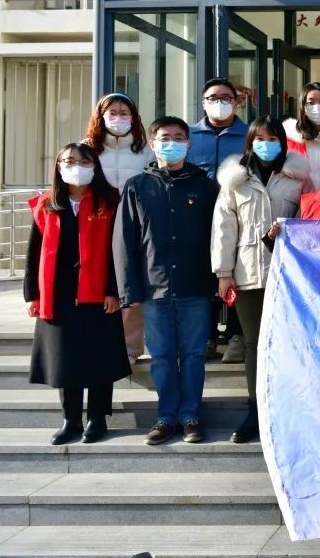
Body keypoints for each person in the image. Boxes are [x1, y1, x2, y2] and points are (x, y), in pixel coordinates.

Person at [113, 116, 219, 446]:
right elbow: (124, 242)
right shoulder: (137, 186)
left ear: (188, 143)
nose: (171, 142)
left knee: (193, 354)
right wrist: (127, 289)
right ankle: (166, 416)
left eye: (178, 137)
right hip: (153, 287)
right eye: (164, 137)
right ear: (153, 143)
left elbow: (218, 237)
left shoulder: (206, 187)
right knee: (161, 355)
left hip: (195, 285)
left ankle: (190, 415)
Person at [24, 144, 129, 445]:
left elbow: (118, 250)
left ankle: (97, 419)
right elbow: (34, 253)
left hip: (98, 292)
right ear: (58, 167)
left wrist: (114, 290)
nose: (76, 167)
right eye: (69, 161)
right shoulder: (46, 204)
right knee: (64, 359)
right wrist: (33, 295)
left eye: (84, 161)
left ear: (95, 165)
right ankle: (71, 420)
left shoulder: (110, 202)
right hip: (57, 294)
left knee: (99, 357)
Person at [211, 117, 308, 443]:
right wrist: (224, 273)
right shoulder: (236, 180)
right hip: (248, 272)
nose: (267, 145)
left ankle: (288, 408)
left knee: (289, 342)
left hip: (290, 274)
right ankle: (255, 410)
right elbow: (223, 228)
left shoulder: (298, 179)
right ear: (250, 143)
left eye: (273, 139)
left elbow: (312, 219)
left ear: (283, 142)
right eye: (260, 139)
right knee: (254, 343)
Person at [83, 92, 152, 368]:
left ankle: (130, 348)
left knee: (131, 283)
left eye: (124, 113)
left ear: (133, 117)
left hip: (135, 223)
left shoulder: (145, 149)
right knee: (98, 281)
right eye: (112, 112)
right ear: (100, 116)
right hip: (97, 222)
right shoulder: (88, 148)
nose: (118, 118)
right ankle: (97, 342)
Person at [187, 78, 249, 365]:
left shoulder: (249, 135)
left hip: (239, 216)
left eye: (226, 97)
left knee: (238, 272)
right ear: (203, 102)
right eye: (213, 97)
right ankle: (208, 335)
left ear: (237, 102)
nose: (219, 102)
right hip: (197, 216)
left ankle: (237, 334)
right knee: (204, 275)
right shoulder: (188, 135)